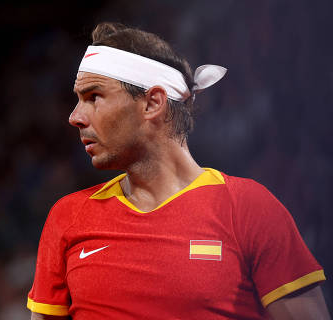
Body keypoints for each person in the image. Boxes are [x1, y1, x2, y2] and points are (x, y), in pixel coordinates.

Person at [26, 22, 330, 320]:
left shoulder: (249, 208)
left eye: (94, 97)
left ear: (152, 103)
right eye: (78, 100)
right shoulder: (67, 218)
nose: (75, 117)